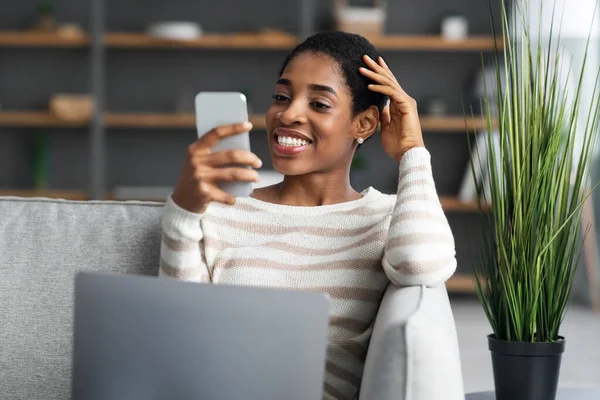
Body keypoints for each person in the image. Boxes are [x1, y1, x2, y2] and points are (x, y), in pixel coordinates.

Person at [159, 31, 457, 400]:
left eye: (318, 104)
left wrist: (413, 151)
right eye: (281, 97)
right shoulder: (218, 211)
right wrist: (184, 211)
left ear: (363, 124)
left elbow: (419, 265)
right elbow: (177, 340)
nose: (288, 113)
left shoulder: (389, 217)